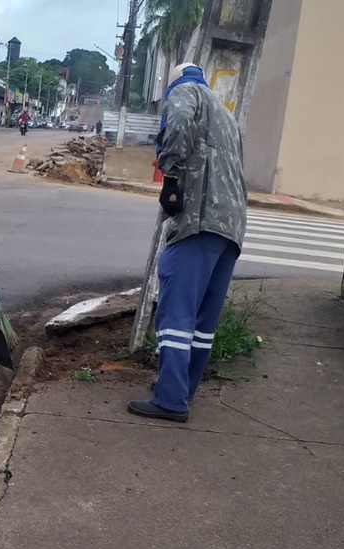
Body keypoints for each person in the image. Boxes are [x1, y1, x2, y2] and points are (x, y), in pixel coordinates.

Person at [127, 62, 247, 423]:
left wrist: (172, 177)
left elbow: (177, 126)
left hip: (199, 218)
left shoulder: (186, 92)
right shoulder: (226, 116)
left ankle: (170, 400)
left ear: (176, 80)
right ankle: (181, 389)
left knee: (176, 308)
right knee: (202, 320)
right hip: (231, 225)